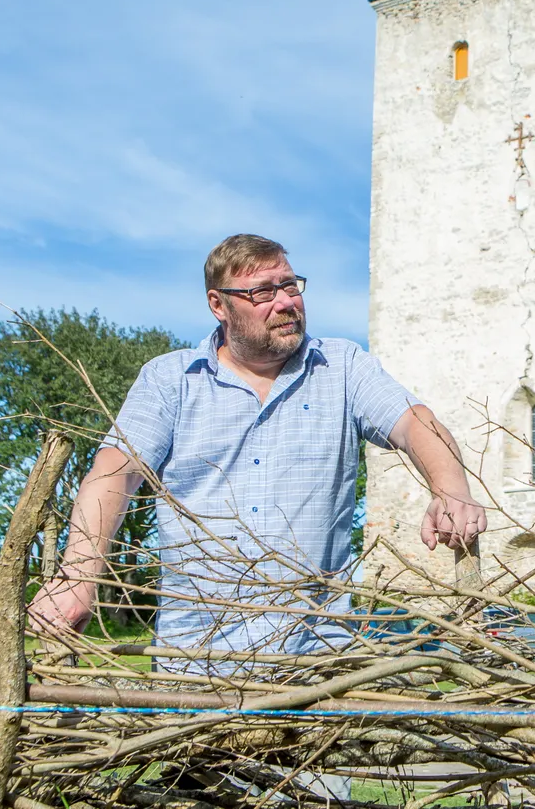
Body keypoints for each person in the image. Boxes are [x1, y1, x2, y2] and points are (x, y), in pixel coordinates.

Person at [28, 234, 487, 658]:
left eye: (290, 286)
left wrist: (451, 490)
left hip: (318, 665)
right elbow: (115, 471)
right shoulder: (169, 381)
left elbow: (415, 423)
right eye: (263, 292)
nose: (286, 302)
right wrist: (78, 575)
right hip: (195, 665)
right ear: (218, 305)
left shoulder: (343, 366)